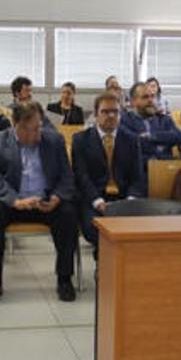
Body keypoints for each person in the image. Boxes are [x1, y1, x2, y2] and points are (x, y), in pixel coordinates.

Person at [0, 102, 80, 303]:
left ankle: (64, 278)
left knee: (68, 213)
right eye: (32, 128)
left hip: (44, 201)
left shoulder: (53, 140)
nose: (38, 133)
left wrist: (56, 197)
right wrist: (14, 200)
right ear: (15, 125)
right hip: (13, 202)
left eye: (39, 126)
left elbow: (67, 177)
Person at [72, 92, 145, 250]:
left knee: (139, 228)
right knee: (97, 230)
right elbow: (81, 177)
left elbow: (138, 177)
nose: (111, 116)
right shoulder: (80, 140)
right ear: (96, 114)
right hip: (94, 199)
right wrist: (98, 202)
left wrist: (130, 202)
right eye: (105, 112)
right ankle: (105, 267)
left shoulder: (132, 139)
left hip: (124, 198)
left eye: (115, 112)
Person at [120, 82, 181, 162]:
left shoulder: (164, 119)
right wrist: (164, 140)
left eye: (152, 96)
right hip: (140, 169)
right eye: (145, 97)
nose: (150, 100)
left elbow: (178, 136)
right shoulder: (125, 120)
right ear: (133, 101)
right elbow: (133, 144)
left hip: (166, 167)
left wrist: (151, 136)